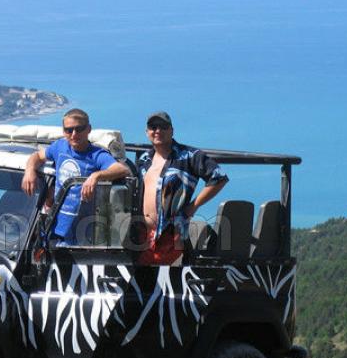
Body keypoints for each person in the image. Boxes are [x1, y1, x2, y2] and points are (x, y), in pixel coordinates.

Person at [22, 108, 129, 245]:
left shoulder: (96, 155)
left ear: (88, 129)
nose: (74, 134)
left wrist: (96, 176)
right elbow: (37, 156)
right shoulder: (59, 146)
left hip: (82, 232)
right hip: (54, 227)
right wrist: (30, 171)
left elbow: (121, 169)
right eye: (69, 130)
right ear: (63, 131)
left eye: (79, 129)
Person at [137, 111, 228, 265]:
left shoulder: (189, 156)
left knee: (165, 285)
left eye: (163, 127)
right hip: (141, 236)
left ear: (172, 131)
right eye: (153, 127)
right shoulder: (144, 159)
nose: (158, 131)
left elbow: (219, 177)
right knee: (141, 286)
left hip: (171, 237)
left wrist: (193, 207)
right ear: (147, 132)